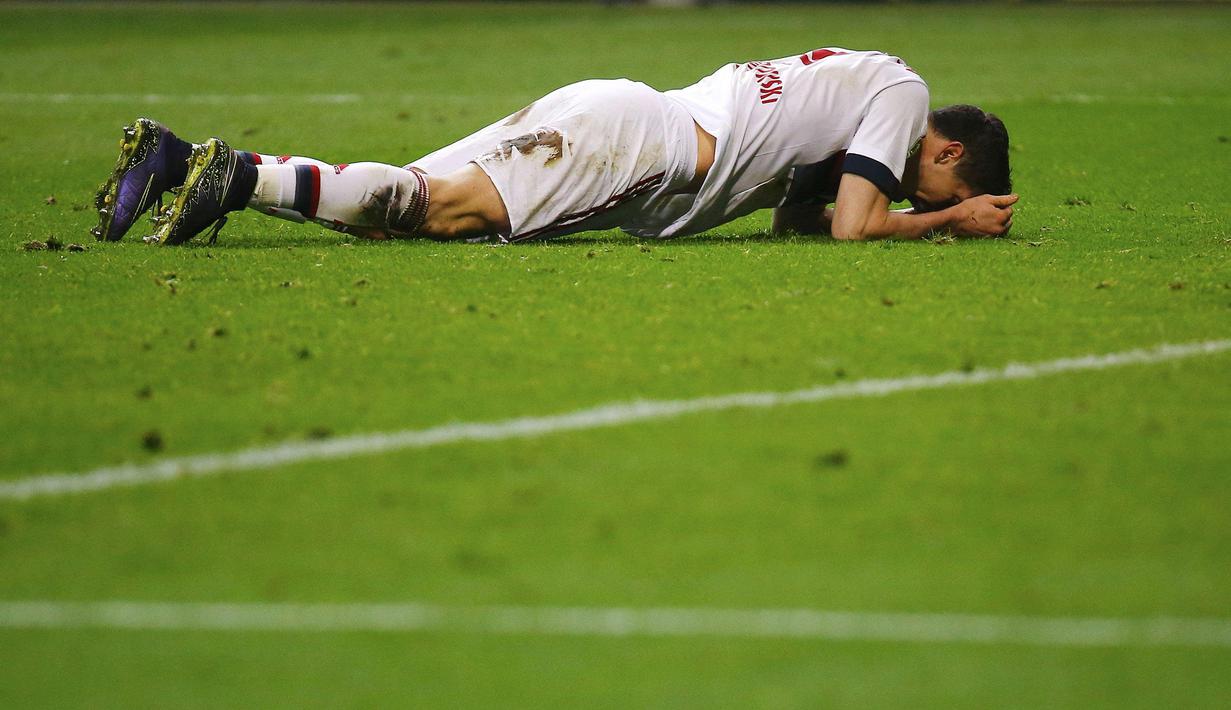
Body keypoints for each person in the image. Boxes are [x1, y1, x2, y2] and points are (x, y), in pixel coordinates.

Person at [91, 46, 1015, 247]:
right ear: (941, 157)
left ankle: (177, 158)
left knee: (413, 193)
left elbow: (801, 223)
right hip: (633, 149)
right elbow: (855, 228)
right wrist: (945, 227)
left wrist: (892, 209)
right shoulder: (902, 94)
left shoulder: (847, 90)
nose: (908, 194)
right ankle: (240, 179)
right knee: (432, 215)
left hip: (615, 108)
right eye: (927, 189)